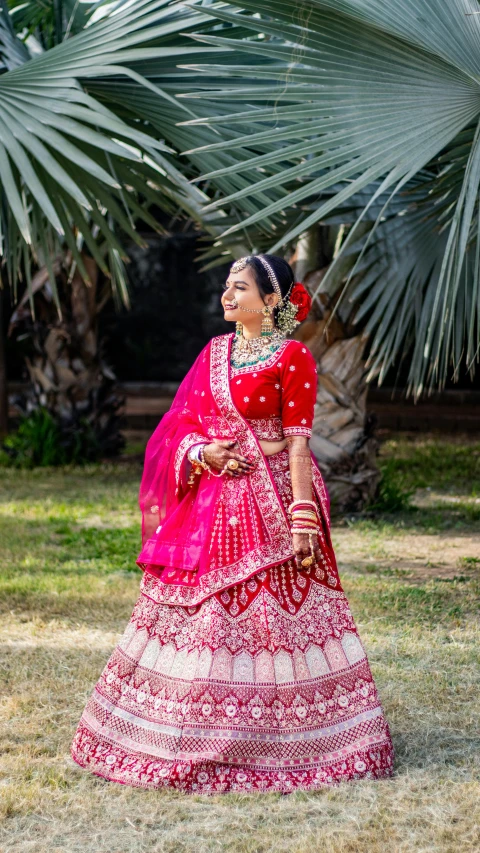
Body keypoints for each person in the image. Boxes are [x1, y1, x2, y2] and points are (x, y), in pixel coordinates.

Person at [71, 253, 395, 793]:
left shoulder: (294, 358)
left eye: (239, 287)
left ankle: (288, 741)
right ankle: (183, 730)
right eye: (226, 285)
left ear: (271, 301)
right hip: (214, 502)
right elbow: (182, 424)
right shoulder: (215, 352)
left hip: (273, 501)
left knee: (273, 619)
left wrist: (301, 521)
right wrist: (203, 453)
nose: (227, 295)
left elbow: (296, 447)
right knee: (206, 620)